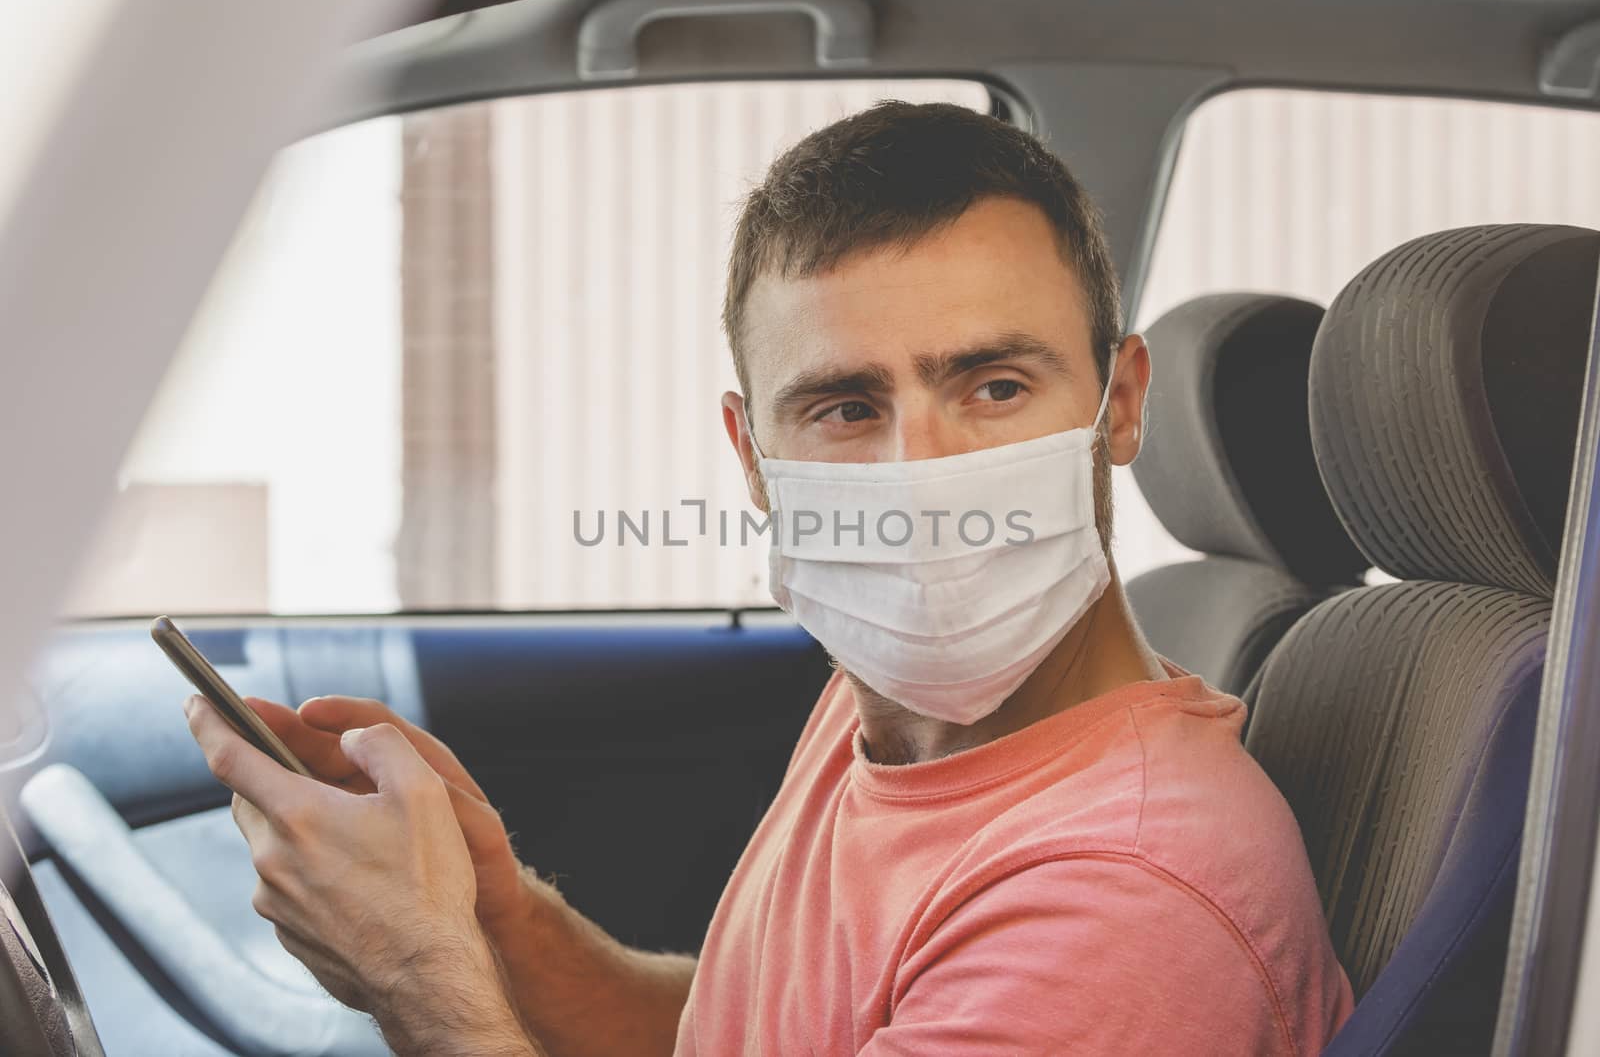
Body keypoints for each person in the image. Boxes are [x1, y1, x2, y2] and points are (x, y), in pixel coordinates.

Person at [185, 101, 1353, 1056]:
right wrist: (495, 914)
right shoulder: (883, 701)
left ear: (1122, 401)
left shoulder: (1124, 896)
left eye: (994, 385)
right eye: (846, 407)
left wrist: (420, 975)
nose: (921, 472)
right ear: (753, 455)